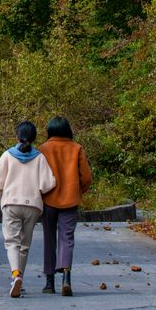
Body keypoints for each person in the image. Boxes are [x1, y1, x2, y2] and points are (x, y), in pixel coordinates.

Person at [0, 120, 56, 298]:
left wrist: (2, 198)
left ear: (17, 136)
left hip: (11, 203)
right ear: (34, 138)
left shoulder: (7, 156)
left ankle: (15, 275)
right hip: (32, 206)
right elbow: (49, 183)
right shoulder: (40, 157)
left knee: (12, 242)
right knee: (24, 246)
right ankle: (19, 279)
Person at [39, 116, 93, 296]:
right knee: (67, 238)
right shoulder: (77, 148)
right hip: (70, 200)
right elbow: (86, 177)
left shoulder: (43, 149)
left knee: (49, 238)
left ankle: (49, 282)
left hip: (48, 200)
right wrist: (78, 190)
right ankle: (66, 278)